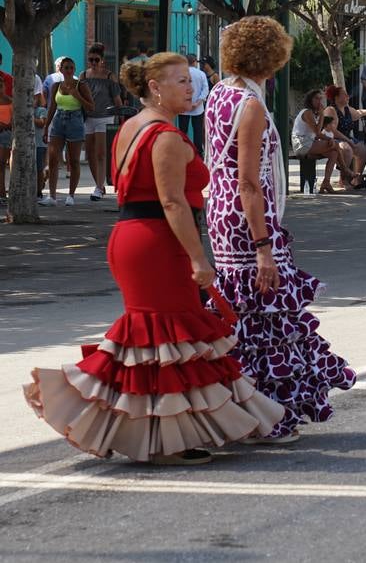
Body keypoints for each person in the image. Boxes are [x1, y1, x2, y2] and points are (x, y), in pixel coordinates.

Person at [24, 52, 285, 463]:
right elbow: (173, 203)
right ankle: (158, 437)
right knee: (162, 338)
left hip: (135, 238)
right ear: (154, 88)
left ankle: (159, 436)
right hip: (155, 243)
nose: (190, 86)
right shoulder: (164, 136)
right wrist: (199, 259)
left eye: (188, 79)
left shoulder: (131, 127)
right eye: (180, 81)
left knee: (156, 341)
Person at [205, 16, 356, 443]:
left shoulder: (220, 94)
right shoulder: (249, 106)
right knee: (267, 314)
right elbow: (249, 181)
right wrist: (264, 248)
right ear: (271, 57)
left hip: (221, 213)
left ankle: (245, 410)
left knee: (242, 315)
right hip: (248, 218)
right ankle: (263, 415)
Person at [40, 57, 95, 206]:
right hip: (58, 121)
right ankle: (52, 196)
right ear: (61, 69)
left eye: (71, 67)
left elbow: (91, 107)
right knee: (52, 159)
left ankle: (71, 195)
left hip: (75, 121)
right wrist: (46, 127)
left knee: (74, 160)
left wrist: (78, 97)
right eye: (66, 68)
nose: (69, 70)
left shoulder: (81, 85)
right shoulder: (56, 86)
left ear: (74, 69)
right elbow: (51, 108)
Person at [79, 43, 124, 201]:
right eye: (90, 60)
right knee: (89, 153)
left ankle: (98, 187)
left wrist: (121, 117)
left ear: (102, 60)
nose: (93, 63)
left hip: (105, 116)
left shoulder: (109, 76)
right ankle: (99, 184)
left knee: (100, 153)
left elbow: (117, 99)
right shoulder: (83, 76)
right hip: (88, 117)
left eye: (96, 60)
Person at [323, 84, 366, 188]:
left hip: (346, 138)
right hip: (331, 140)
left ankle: (356, 179)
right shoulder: (331, 110)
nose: (347, 96)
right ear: (336, 97)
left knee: (363, 149)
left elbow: (359, 113)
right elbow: (333, 131)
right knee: (347, 149)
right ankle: (343, 179)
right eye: (344, 95)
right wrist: (349, 141)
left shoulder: (347, 109)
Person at [291, 88, 342, 193]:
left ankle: (326, 182)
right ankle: (346, 170)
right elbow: (317, 132)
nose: (319, 101)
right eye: (316, 98)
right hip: (302, 144)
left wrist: (328, 138)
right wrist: (322, 114)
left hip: (309, 143)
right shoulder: (307, 112)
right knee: (336, 145)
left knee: (333, 153)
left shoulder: (314, 114)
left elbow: (316, 134)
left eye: (320, 99)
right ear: (310, 100)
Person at [176, 54, 209, 155]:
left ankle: (182, 151)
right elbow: (205, 89)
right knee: (198, 131)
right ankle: (198, 153)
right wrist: (197, 103)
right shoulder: (201, 74)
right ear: (194, 62)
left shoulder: (180, 74)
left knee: (183, 131)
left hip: (183, 107)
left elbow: (177, 89)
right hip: (198, 108)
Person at [0, 51, 12, 204]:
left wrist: (7, 125)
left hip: (5, 133)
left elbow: (15, 117)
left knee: (2, 164)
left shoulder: (8, 78)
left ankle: (2, 193)